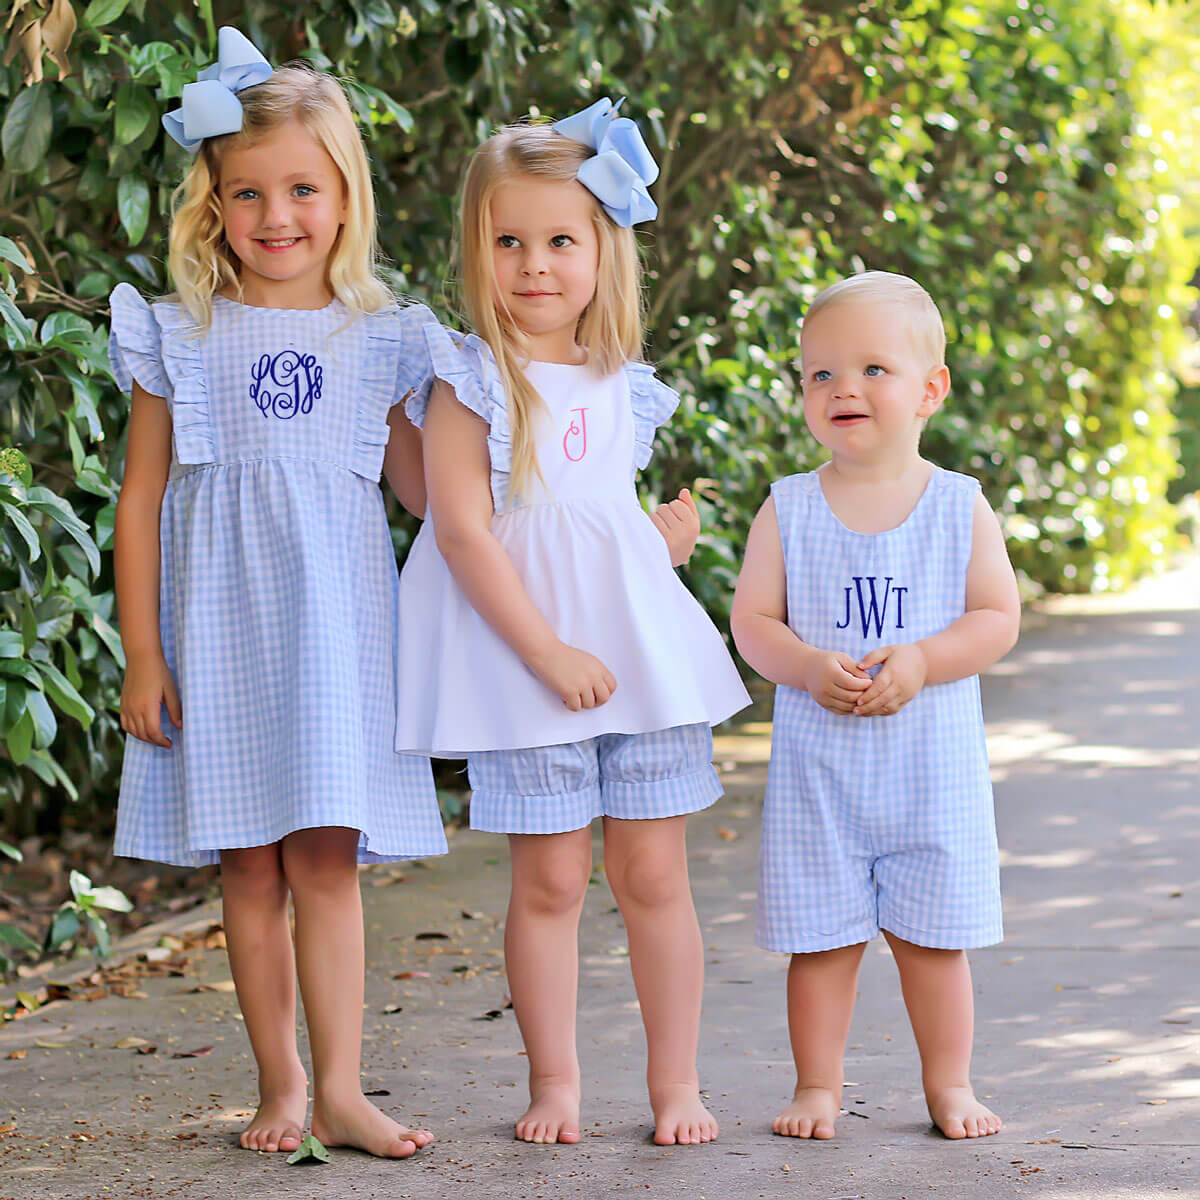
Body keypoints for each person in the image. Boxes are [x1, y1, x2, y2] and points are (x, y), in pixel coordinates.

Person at [110, 28, 446, 1159]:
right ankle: (281, 1084)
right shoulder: (181, 334)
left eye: (303, 188)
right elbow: (141, 501)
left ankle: (344, 1088)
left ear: (345, 199)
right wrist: (143, 654)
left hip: (336, 644)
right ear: (213, 205)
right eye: (246, 192)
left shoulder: (381, 339)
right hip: (215, 640)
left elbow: (423, 494)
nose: (276, 215)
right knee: (248, 865)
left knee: (325, 860)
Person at [393, 99, 749, 1146]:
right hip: (528, 666)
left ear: (603, 252)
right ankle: (555, 1083)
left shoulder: (620, 384)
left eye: (559, 241)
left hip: (637, 666)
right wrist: (547, 652)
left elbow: (593, 523)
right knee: (548, 881)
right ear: (477, 249)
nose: (534, 265)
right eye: (508, 241)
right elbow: (464, 532)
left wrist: (659, 548)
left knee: (654, 876)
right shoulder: (468, 381)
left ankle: (676, 1084)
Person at [731, 271, 1020, 1142]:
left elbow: (996, 618)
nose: (841, 388)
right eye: (820, 373)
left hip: (931, 775)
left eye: (871, 370)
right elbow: (753, 621)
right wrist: (803, 664)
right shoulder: (789, 508)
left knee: (934, 943)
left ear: (930, 389)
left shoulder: (957, 506)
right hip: (823, 779)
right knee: (822, 942)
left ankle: (950, 1084)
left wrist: (925, 658)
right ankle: (817, 1085)